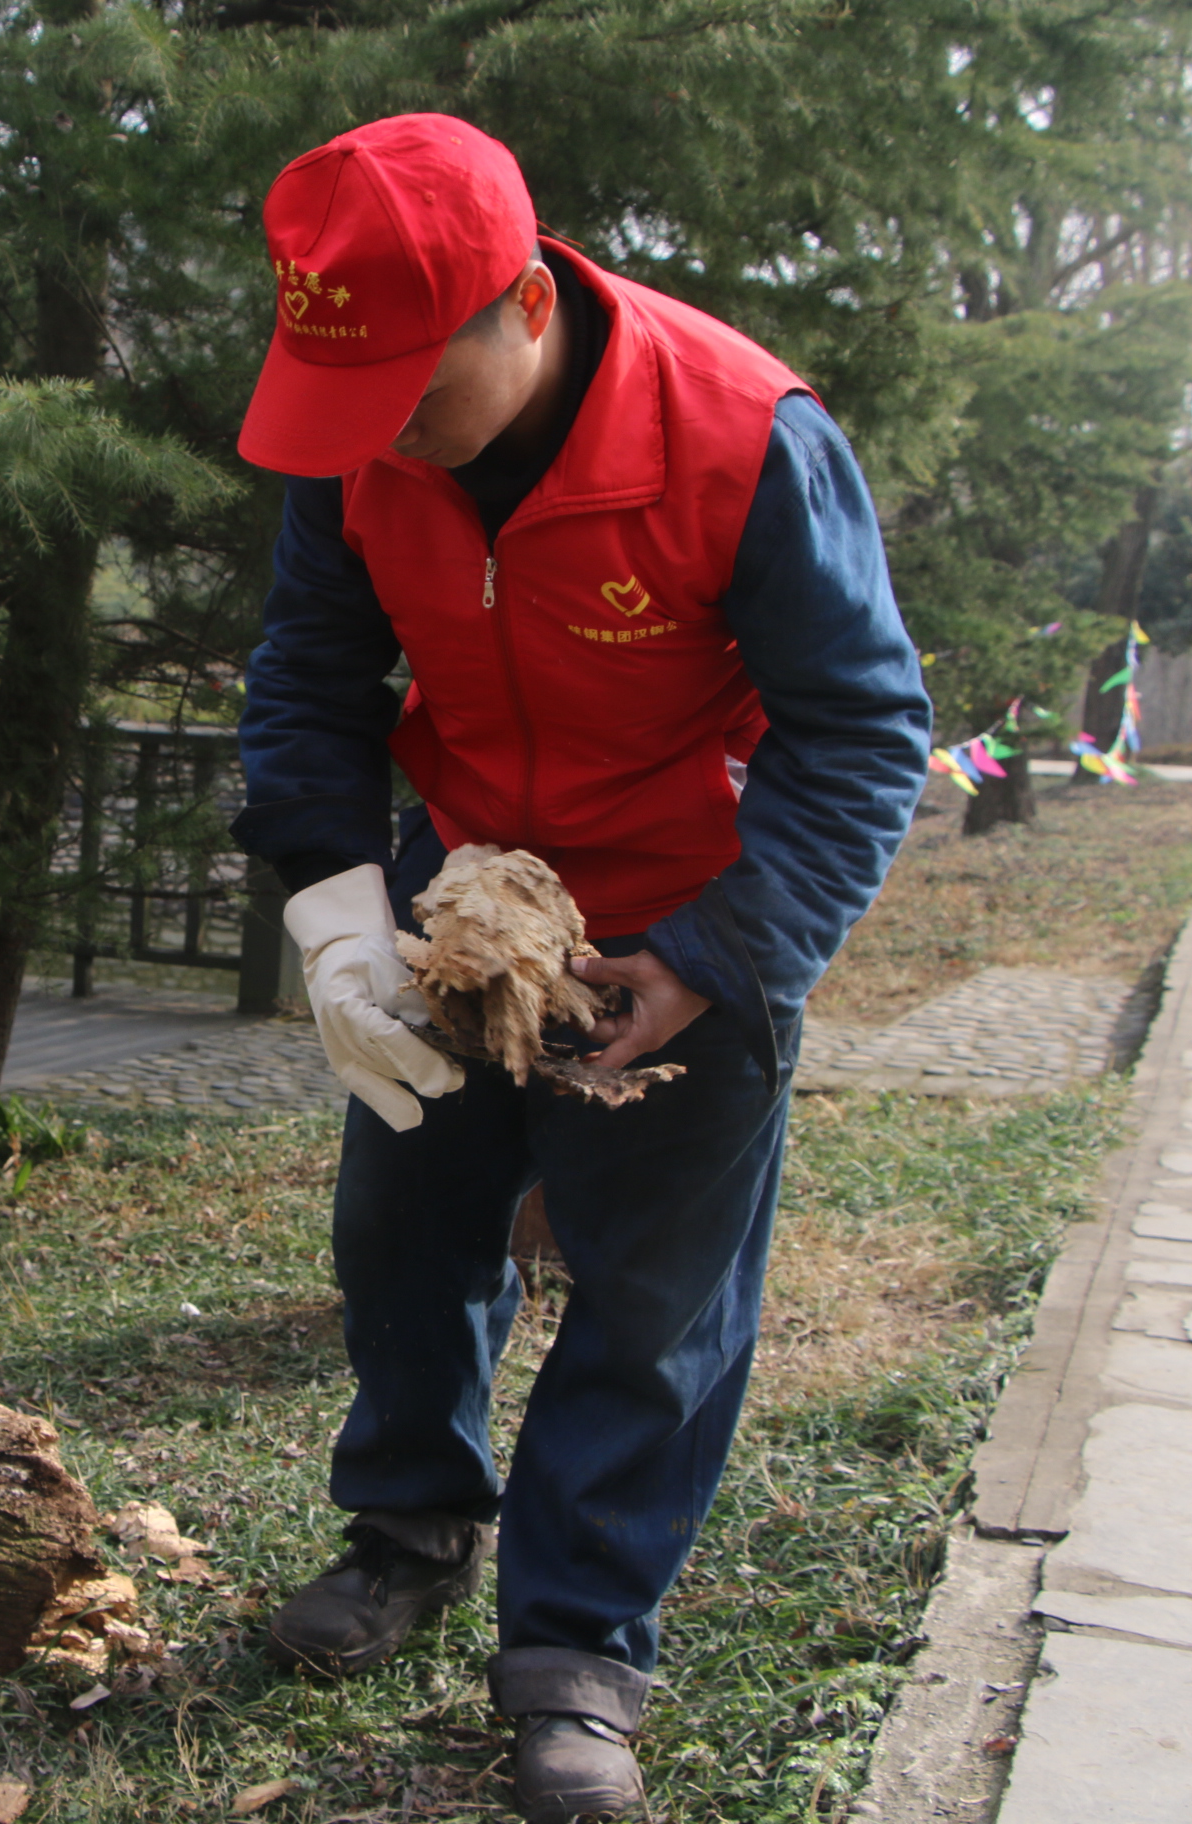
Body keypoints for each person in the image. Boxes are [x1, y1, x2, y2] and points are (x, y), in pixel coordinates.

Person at [229, 114, 932, 1823]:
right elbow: (315, 671)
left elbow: (864, 728)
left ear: (527, 306)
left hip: (687, 917)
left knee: (654, 1302)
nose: (378, 436)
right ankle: (407, 1528)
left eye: (411, 388)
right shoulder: (353, 444)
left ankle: (578, 1653)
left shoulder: (746, 436)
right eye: (351, 397)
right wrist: (335, 918)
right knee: (406, 1225)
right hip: (456, 892)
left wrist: (723, 956)